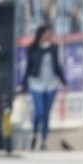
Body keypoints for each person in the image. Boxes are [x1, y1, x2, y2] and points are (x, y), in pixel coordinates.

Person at [23, 23, 66, 151]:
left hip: (51, 83)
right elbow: (29, 66)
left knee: (47, 113)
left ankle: (44, 141)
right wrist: (23, 83)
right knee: (39, 111)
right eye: (47, 33)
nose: (49, 36)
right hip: (36, 83)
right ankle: (34, 133)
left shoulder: (53, 48)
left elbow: (57, 66)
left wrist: (64, 82)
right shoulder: (32, 48)